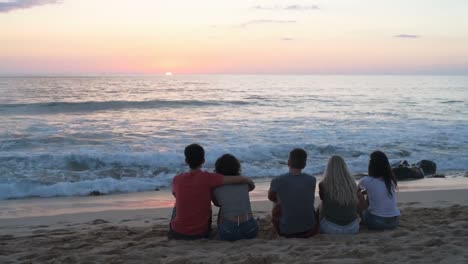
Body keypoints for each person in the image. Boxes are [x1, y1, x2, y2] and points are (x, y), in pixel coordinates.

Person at [168, 144, 255, 240]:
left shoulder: (177, 179)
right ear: (203, 161)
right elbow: (235, 179)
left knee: (178, 201)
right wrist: (247, 180)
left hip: (178, 233)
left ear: (186, 161)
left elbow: (175, 195)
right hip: (202, 233)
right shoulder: (209, 178)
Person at [268, 148, 318, 238]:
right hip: (310, 229)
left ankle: (280, 226)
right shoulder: (312, 180)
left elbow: (271, 197)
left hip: (286, 231)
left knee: (277, 201)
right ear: (305, 165)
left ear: (288, 162)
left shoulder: (277, 180)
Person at [212, 154, 258, 241]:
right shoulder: (245, 183)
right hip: (250, 229)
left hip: (229, 230)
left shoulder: (216, 188)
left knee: (223, 208)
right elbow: (252, 187)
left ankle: (220, 229)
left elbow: (217, 203)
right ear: (237, 167)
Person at [318, 155, 364, 234]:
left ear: (329, 168)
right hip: (352, 228)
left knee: (321, 205)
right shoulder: (352, 184)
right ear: (344, 167)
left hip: (331, 229)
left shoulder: (323, 184)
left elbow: (324, 205)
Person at [358, 150, 400, 230]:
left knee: (358, 194)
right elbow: (378, 190)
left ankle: (362, 220)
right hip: (395, 222)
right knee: (369, 193)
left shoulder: (366, 180)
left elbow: (354, 193)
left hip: (377, 222)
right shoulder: (391, 180)